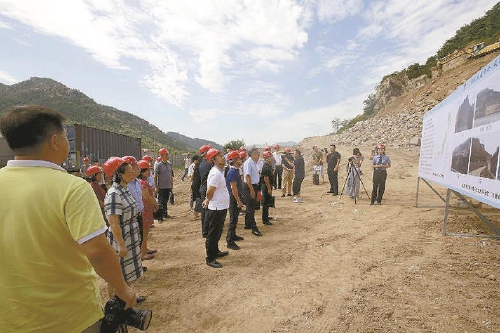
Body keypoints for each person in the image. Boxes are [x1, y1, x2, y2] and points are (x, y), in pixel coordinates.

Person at [0, 105, 135, 333]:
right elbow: (98, 252)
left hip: (10, 317)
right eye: (65, 136)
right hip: (68, 316)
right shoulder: (72, 188)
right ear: (54, 141)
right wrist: (123, 289)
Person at [102, 157, 145, 302]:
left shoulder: (124, 189)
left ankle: (127, 297)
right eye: (129, 172)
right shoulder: (114, 193)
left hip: (130, 234)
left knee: (127, 272)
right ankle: (115, 305)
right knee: (117, 275)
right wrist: (121, 244)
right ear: (119, 174)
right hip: (121, 237)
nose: (132, 174)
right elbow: (113, 222)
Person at [202, 148, 230, 268]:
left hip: (221, 207)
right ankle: (210, 258)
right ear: (214, 160)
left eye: (222, 155)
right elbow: (209, 192)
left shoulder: (219, 171)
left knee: (218, 232)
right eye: (219, 156)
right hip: (216, 208)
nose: (222, 157)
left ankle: (216, 251)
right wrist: (208, 199)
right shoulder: (216, 174)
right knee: (213, 234)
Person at [137, 160, 159, 261]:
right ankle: (142, 252)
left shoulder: (142, 182)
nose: (149, 173)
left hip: (147, 208)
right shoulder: (142, 183)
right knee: (144, 231)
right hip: (145, 209)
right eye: (147, 171)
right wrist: (155, 204)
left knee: (146, 231)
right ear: (141, 171)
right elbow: (147, 197)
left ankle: (145, 249)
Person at [225, 150, 245, 250]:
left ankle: (233, 236)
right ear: (236, 160)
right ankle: (229, 241)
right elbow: (233, 188)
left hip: (235, 197)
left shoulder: (235, 170)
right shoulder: (232, 172)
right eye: (240, 158)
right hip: (233, 198)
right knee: (233, 219)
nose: (241, 160)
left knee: (235, 218)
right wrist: (238, 200)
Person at [243, 147, 263, 236]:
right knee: (251, 208)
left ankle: (248, 224)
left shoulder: (254, 163)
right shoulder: (248, 163)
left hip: (253, 186)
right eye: (257, 153)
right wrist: (251, 189)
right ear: (252, 154)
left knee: (250, 207)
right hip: (249, 186)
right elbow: (247, 177)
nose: (259, 154)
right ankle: (254, 228)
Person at [155, 147, 174, 220]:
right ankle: (160, 216)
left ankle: (165, 214)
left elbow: (170, 175)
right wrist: (156, 186)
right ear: (162, 156)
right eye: (166, 154)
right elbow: (155, 176)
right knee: (161, 201)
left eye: (167, 154)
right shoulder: (158, 165)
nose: (167, 156)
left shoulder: (169, 164)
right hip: (161, 187)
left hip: (168, 186)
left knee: (166, 200)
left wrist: (171, 185)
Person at [198, 144, 213, 237]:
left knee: (205, 210)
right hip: (206, 188)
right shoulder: (207, 164)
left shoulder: (203, 163)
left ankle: (205, 229)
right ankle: (205, 231)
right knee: (206, 211)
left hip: (204, 188)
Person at [261, 150, 275, 224]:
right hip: (266, 186)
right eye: (270, 157)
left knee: (267, 202)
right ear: (267, 158)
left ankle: (266, 216)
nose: (272, 158)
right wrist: (269, 188)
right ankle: (265, 219)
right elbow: (266, 179)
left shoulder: (269, 165)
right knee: (265, 203)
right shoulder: (266, 167)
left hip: (268, 186)